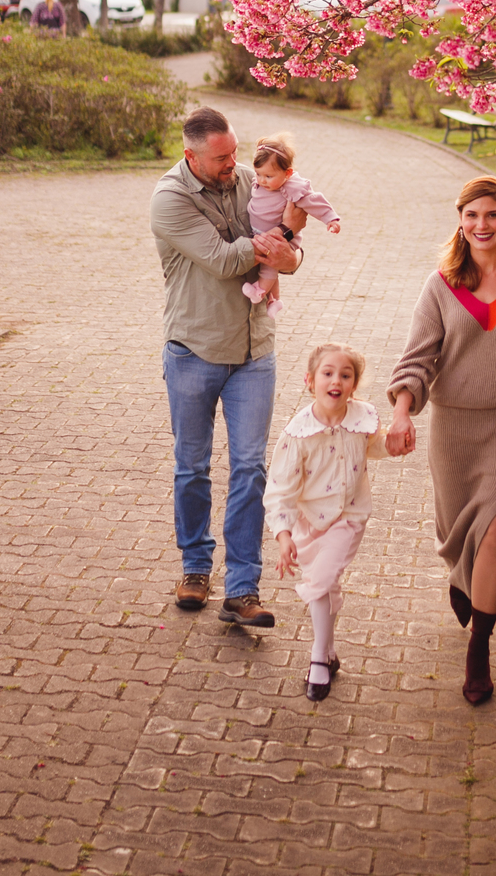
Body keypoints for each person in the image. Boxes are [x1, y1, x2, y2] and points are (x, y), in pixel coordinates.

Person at [386, 176, 496, 706]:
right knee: (461, 529)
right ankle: (464, 580)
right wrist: (401, 413)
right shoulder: (441, 285)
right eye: (472, 216)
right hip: (455, 427)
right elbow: (418, 358)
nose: (482, 225)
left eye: (492, 215)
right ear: (460, 222)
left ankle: (480, 645)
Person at [150, 105, 306, 626]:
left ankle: (243, 588)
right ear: (190, 155)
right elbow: (219, 261)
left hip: (254, 352)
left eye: (235, 151)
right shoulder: (169, 199)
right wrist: (276, 242)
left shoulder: (250, 179)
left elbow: (293, 239)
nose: (234, 164)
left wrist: (291, 250)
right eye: (222, 157)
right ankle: (196, 567)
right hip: (193, 349)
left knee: (250, 468)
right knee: (191, 467)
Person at [264, 341, 385, 700]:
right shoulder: (296, 434)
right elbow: (280, 489)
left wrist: (395, 443)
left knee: (321, 578)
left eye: (345, 375)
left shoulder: (362, 419)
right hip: (309, 520)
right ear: (310, 380)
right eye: (328, 373)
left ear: (354, 384)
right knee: (327, 585)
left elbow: (376, 446)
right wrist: (283, 534)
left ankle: (317, 659)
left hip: (348, 516)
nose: (336, 380)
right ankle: (330, 652)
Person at [242, 134, 341, 317]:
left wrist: (330, 218)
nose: (262, 180)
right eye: (258, 174)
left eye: (269, 176)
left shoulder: (291, 188)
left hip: (282, 239)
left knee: (269, 265)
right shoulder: (262, 183)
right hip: (261, 233)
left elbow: (314, 202)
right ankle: (274, 300)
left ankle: (259, 292)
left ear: (287, 173)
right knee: (270, 266)